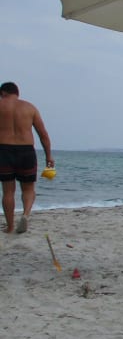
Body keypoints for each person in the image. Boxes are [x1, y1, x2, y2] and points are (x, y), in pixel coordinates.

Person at [0, 82, 53, 234]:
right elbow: (43, 135)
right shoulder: (30, 107)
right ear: (17, 93)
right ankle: (25, 214)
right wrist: (48, 156)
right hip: (26, 151)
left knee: (8, 191)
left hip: (4, 149)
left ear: (3, 93)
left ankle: (10, 226)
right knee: (28, 189)